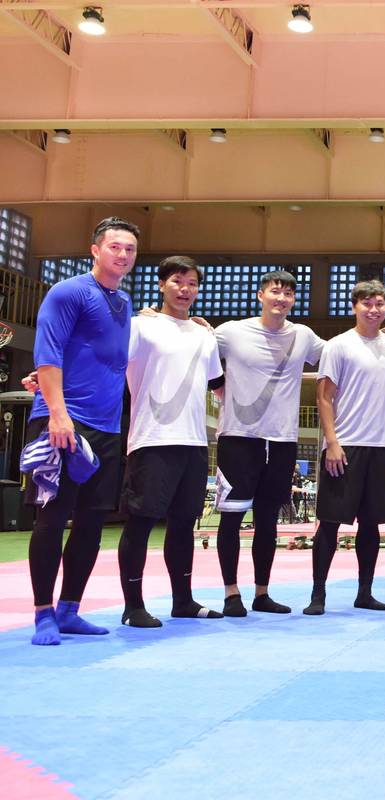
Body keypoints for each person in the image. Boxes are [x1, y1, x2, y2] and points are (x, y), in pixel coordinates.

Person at [25, 217, 138, 645]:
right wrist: (57, 414)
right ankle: (43, 613)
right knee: (53, 516)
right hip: (65, 419)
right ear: (95, 250)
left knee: (92, 521)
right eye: (114, 247)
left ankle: (70, 609)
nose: (122, 255)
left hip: (107, 426)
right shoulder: (69, 292)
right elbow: (48, 354)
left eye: (129, 249)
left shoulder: (124, 302)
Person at [117, 256, 224, 628]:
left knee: (183, 524)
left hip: (194, 442)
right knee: (141, 522)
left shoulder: (204, 335)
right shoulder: (140, 327)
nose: (185, 289)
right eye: (178, 281)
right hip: (152, 439)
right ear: (162, 284)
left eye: (192, 283)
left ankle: (183, 601)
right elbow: (109, 365)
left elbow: (216, 383)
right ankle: (133, 607)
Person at [214, 271, 324, 616]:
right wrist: (158, 317)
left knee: (268, 520)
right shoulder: (231, 332)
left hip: (281, 440)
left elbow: (341, 354)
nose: (282, 298)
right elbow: (193, 349)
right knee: (232, 519)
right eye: (276, 291)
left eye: (288, 293)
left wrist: (382, 334)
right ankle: (231, 593)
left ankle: (262, 593)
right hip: (238, 438)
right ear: (261, 295)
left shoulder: (303, 336)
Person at [303, 280, 385, 615]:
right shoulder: (338, 345)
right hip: (345, 446)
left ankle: (365, 593)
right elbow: (324, 397)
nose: (374, 310)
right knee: (330, 522)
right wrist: (332, 443)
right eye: (367, 304)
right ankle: (318, 595)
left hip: (383, 445)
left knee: (371, 524)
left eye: (379, 304)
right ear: (354, 307)